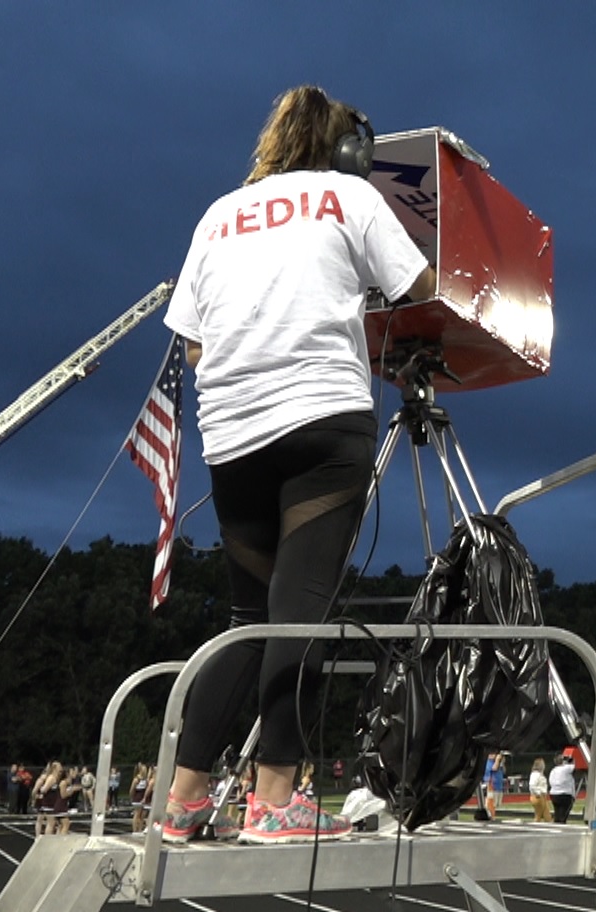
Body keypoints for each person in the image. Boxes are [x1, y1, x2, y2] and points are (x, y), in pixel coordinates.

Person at [160, 85, 436, 846]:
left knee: (250, 618)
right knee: (301, 609)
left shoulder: (219, 213)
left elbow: (191, 344)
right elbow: (420, 287)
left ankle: (183, 801)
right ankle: (273, 798)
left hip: (233, 438)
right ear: (346, 150)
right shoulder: (350, 195)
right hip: (320, 422)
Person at [549, 752, 579, 824]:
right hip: (565, 794)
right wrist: (572, 760)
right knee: (563, 814)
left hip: (554, 794)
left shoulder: (553, 770)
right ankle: (561, 824)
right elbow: (575, 766)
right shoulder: (567, 768)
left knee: (557, 813)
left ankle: (557, 823)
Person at [528, 758, 552, 822]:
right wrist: (538, 793)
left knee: (546, 815)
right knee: (538, 815)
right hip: (538, 797)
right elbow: (532, 785)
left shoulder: (539, 774)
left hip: (542, 797)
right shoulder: (535, 774)